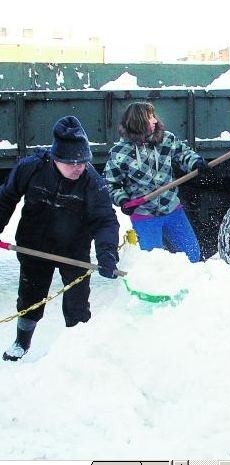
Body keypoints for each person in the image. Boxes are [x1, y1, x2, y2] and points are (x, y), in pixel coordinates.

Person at [0, 116, 120, 362]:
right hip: (34, 246)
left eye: (83, 161)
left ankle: (78, 350)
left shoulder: (92, 183)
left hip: (73, 251)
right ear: (56, 158)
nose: (79, 167)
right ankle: (22, 342)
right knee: (30, 297)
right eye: (72, 162)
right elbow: (6, 197)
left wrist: (108, 254)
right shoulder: (31, 168)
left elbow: (105, 221)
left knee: (77, 302)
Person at [103, 101, 207, 263]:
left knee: (192, 255)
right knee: (152, 263)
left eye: (153, 116)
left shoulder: (166, 139)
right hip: (144, 216)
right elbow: (111, 184)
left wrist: (196, 163)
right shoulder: (119, 153)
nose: (155, 120)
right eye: (149, 117)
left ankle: (187, 286)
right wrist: (122, 200)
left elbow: (184, 154)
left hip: (173, 209)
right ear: (138, 121)